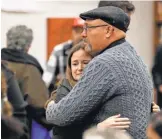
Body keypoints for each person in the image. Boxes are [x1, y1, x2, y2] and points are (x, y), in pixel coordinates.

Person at [46, 6, 153, 139]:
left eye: (87, 28)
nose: (83, 34)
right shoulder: (134, 56)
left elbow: (61, 115)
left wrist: (49, 105)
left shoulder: (105, 62)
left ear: (108, 30)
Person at [45, 41, 131, 139]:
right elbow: (65, 128)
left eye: (85, 63)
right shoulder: (65, 88)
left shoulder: (100, 87)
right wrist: (98, 127)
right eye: (75, 64)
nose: (79, 68)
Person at [1, 25, 51, 132]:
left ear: (7, 41)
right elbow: (38, 105)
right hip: (16, 129)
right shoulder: (29, 69)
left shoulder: (2, 64)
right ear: (28, 46)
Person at [43, 17, 84, 92]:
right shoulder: (59, 50)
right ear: (72, 32)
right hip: (64, 94)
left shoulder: (94, 51)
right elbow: (47, 79)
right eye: (77, 31)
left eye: (83, 31)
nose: (80, 36)